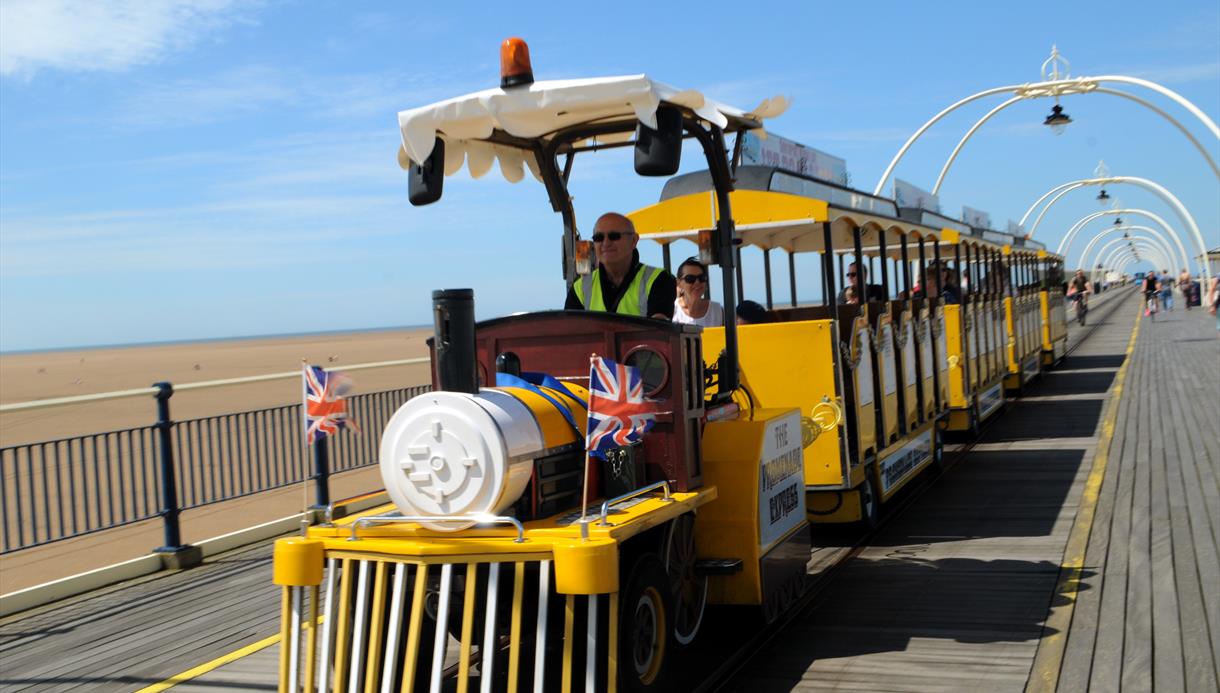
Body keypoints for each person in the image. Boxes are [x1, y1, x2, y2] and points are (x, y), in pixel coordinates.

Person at [565, 213, 676, 319]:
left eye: (614, 236)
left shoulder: (660, 280)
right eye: (599, 237)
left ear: (634, 240)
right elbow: (570, 334)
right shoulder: (579, 289)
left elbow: (659, 333)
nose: (606, 243)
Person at [671, 257, 724, 327]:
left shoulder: (717, 311)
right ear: (679, 283)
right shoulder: (672, 310)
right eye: (690, 278)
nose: (697, 282)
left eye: (701, 278)